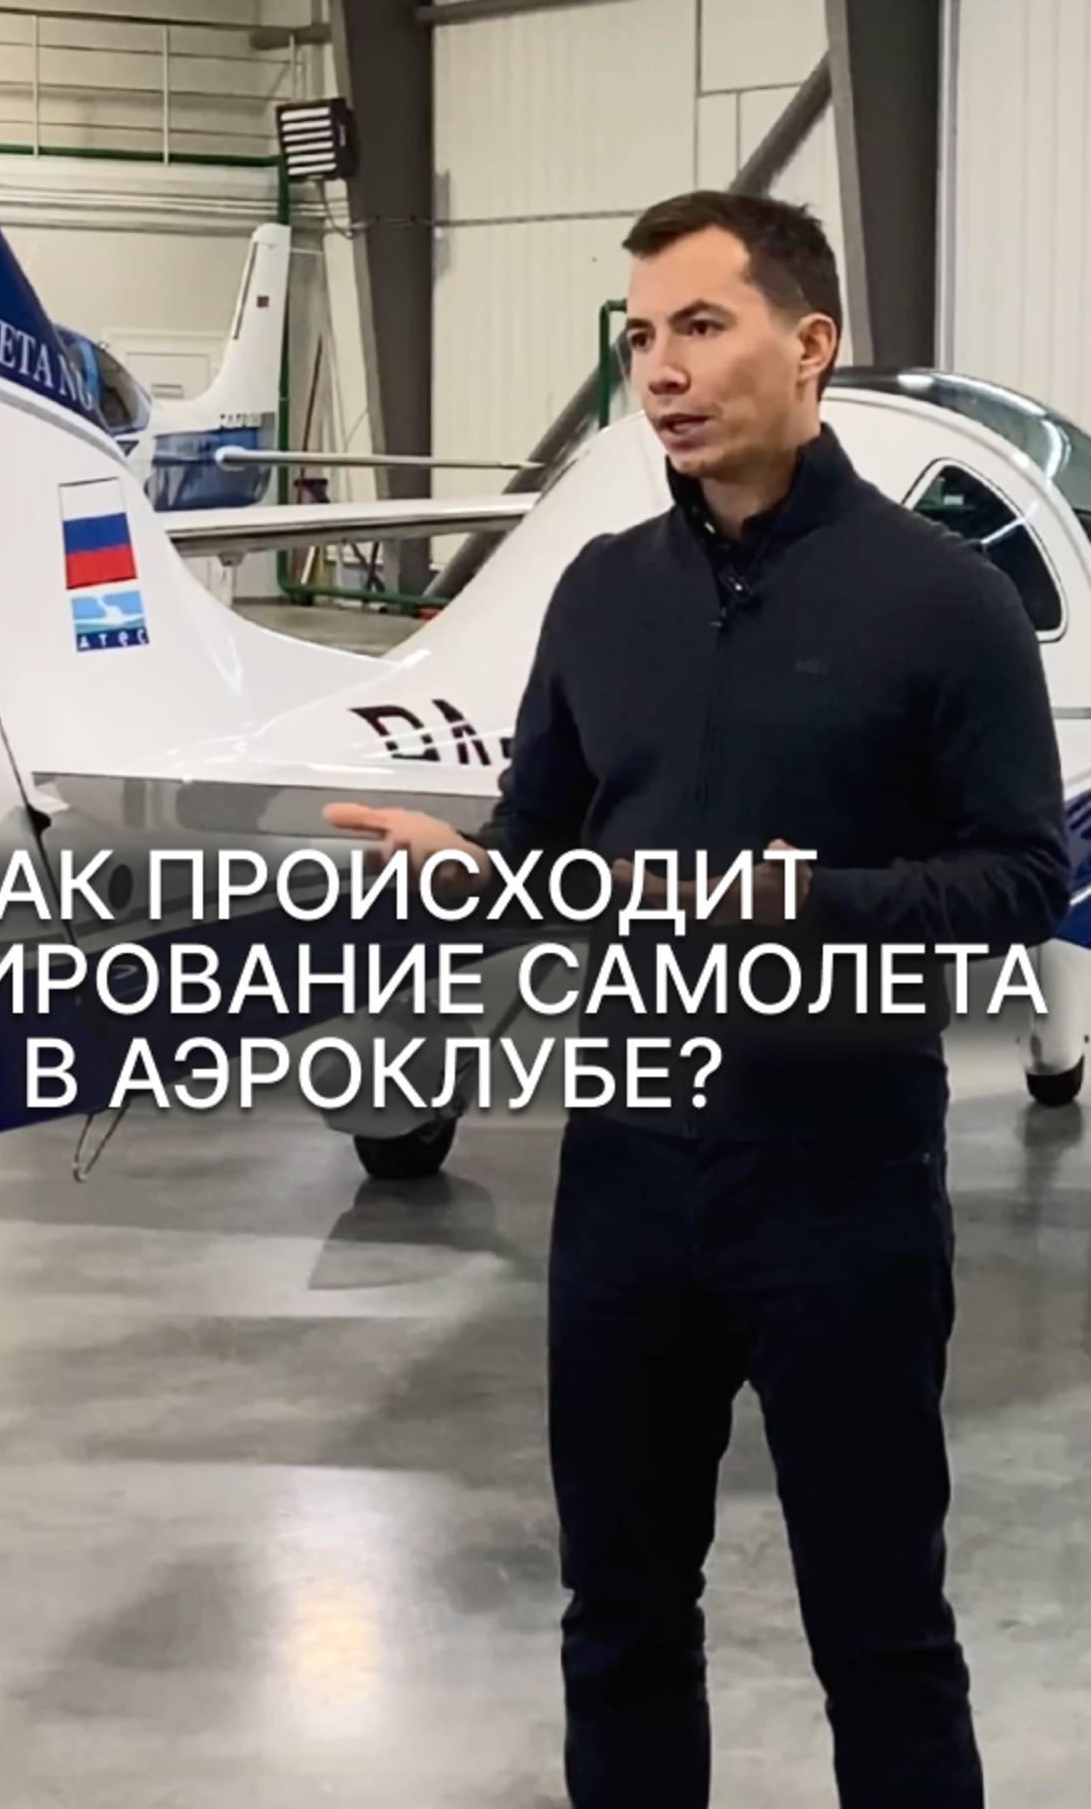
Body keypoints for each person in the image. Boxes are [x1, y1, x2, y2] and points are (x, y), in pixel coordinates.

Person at [326, 191, 1069, 1809]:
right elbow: (544, 845)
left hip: (842, 1188)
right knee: (619, 1618)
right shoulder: (600, 591)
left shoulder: (942, 600)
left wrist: (810, 899)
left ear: (809, 347)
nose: (659, 371)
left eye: (701, 327)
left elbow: (1022, 877)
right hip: (626, 1182)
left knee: (880, 1633)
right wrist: (467, 877)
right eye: (641, 337)